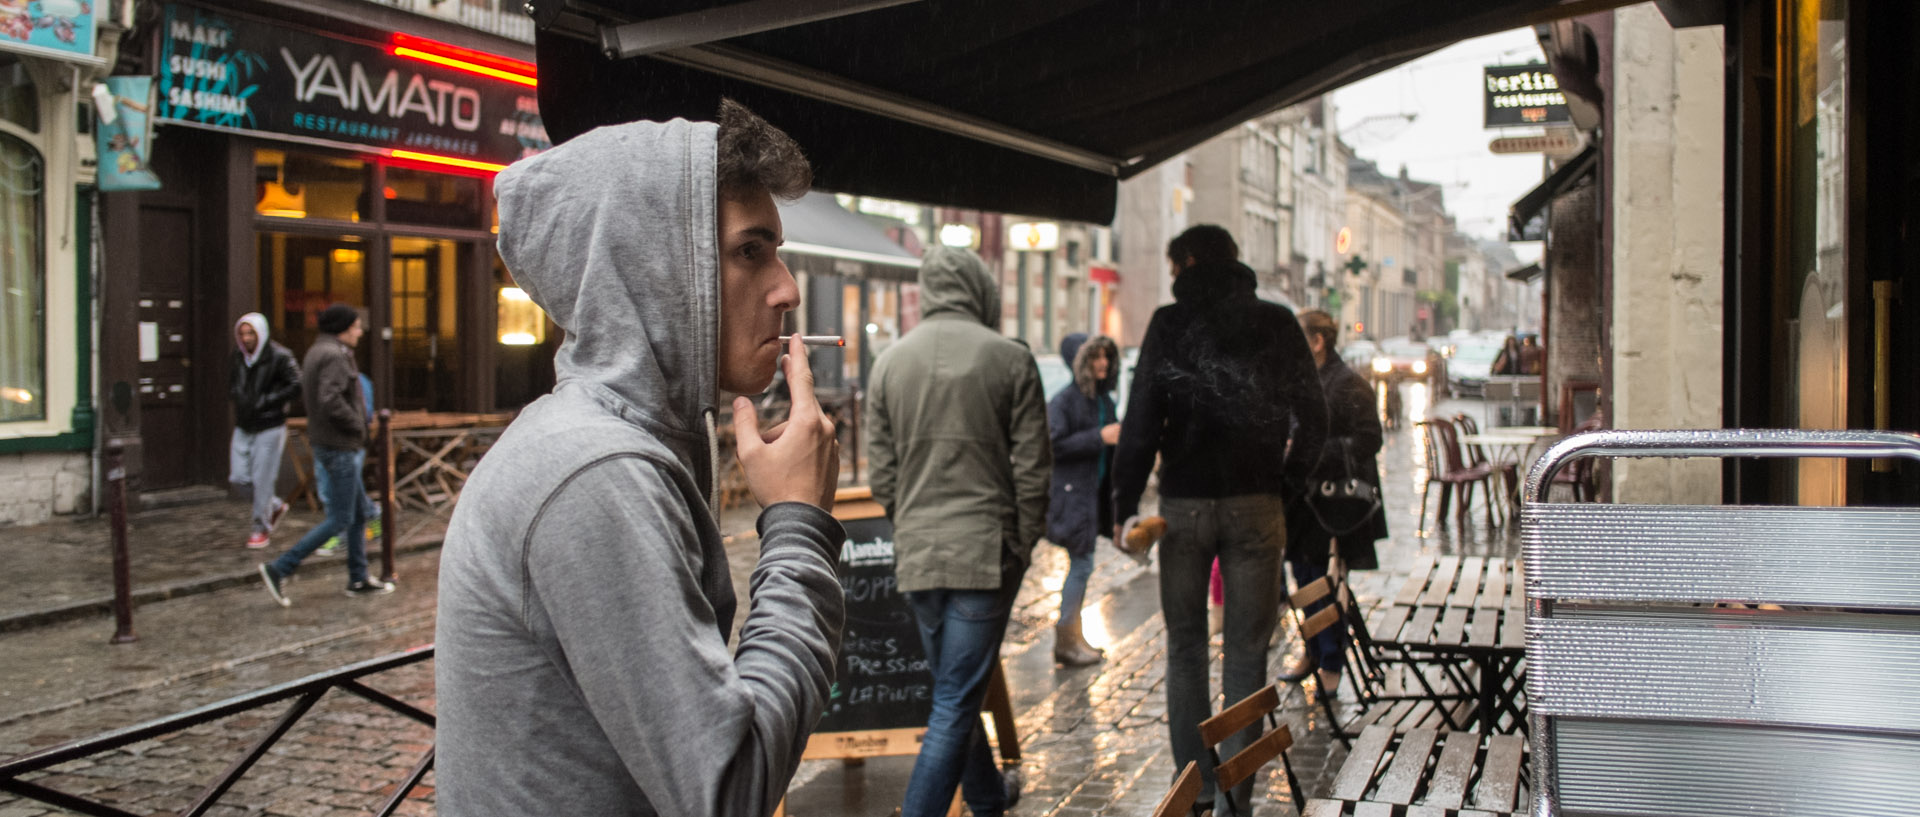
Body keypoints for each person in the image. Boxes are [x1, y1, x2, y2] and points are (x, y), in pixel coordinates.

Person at [434, 101, 846, 817]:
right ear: (656, 267)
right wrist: (799, 523)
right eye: (751, 251)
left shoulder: (619, 443)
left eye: (776, 251)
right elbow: (731, 791)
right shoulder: (593, 473)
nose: (787, 288)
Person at [1112, 224, 1327, 817]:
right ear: (1235, 263)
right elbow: (1316, 417)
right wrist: (1286, 483)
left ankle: (1198, 790)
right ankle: (1238, 800)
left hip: (1182, 507)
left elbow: (1140, 423)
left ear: (1184, 264)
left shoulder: (1169, 324)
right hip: (1257, 503)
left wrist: (1124, 503)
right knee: (1247, 654)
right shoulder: (1278, 322)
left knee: (1185, 649)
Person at [867, 245, 1051, 817]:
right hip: (984, 553)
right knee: (954, 702)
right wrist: (1019, 546)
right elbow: (1032, 470)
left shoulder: (890, 362)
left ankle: (988, 798)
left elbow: (882, 474)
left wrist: (914, 524)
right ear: (980, 288)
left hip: (920, 554)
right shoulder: (1009, 357)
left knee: (955, 691)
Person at [1278, 310, 1386, 694]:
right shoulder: (1303, 381)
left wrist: (1314, 451)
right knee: (1302, 578)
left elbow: (1370, 439)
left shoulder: (1348, 384)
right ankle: (1311, 650)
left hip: (1333, 507)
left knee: (1327, 584)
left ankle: (1331, 663)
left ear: (1318, 341)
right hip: (1301, 503)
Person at [258, 304, 390, 603]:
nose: (359, 331)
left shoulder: (319, 350)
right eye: (356, 326)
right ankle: (280, 567)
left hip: (330, 442)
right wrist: (357, 424)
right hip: (339, 445)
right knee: (341, 518)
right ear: (343, 328)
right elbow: (329, 399)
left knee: (357, 515)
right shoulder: (333, 355)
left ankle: (358, 578)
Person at [1044, 332, 1120, 667]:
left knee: (1084, 564)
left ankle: (1074, 637)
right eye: (1095, 357)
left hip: (1093, 497)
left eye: (1105, 356)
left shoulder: (1103, 400)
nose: (1102, 363)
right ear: (1081, 363)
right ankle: (1066, 639)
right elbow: (1053, 445)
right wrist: (1098, 437)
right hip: (1073, 498)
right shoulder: (1064, 402)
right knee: (1082, 564)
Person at [228, 312, 299, 549]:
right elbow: (232, 384)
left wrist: (268, 400)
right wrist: (238, 399)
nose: (246, 338)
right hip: (244, 423)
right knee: (238, 476)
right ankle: (274, 505)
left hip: (270, 424)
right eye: (242, 333)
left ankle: (260, 528)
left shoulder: (279, 356)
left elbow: (295, 384)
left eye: (251, 333)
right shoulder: (237, 357)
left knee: (263, 479)